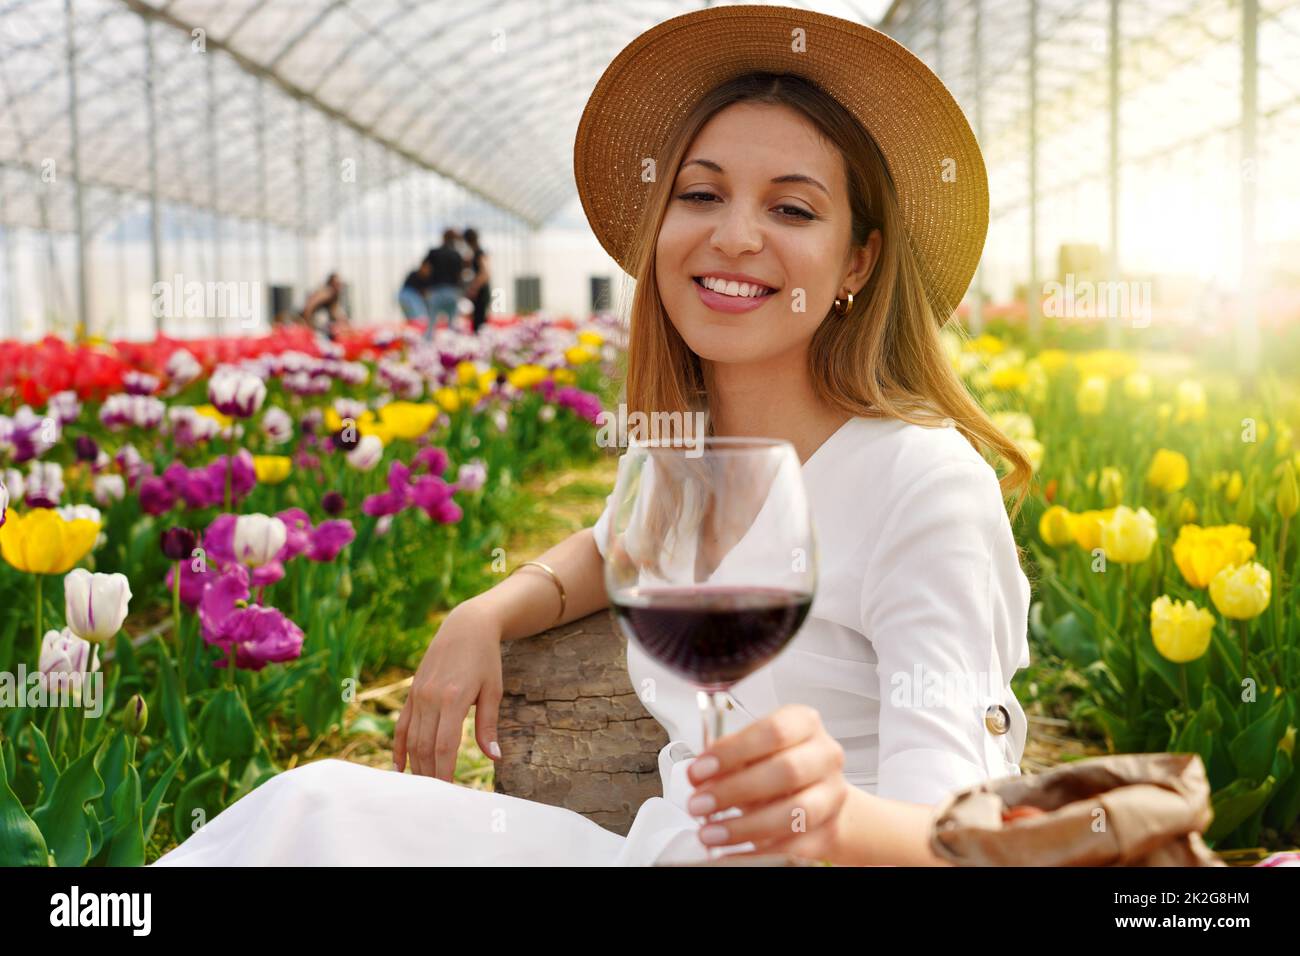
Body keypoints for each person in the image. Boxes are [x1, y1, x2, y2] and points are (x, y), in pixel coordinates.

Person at [152, 5, 1033, 867]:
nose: (733, 236)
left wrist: (825, 817)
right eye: (701, 194)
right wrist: (490, 609)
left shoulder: (924, 485)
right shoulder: (685, 459)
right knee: (312, 813)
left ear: (858, 262)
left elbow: (961, 837)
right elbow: (613, 543)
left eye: (792, 210)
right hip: (655, 852)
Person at [421, 230, 466, 339]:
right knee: (452, 324)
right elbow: (461, 275)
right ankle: (452, 349)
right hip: (452, 291)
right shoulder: (457, 255)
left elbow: (424, 270)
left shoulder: (433, 252)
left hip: (435, 291)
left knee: (431, 324)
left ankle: (427, 349)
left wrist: (425, 285)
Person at [462, 227, 492, 333]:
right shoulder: (475, 253)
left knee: (480, 321)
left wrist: (473, 288)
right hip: (480, 290)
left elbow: (485, 273)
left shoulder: (479, 252)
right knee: (477, 320)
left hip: (481, 291)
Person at [397, 255, 435, 326]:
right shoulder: (416, 275)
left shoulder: (426, 278)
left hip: (407, 296)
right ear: (422, 266)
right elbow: (423, 294)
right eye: (426, 267)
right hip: (408, 295)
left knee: (414, 317)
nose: (427, 270)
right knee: (420, 317)